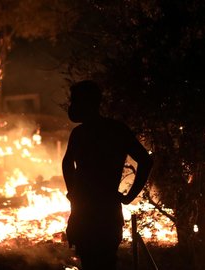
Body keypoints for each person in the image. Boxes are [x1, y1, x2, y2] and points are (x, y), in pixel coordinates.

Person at [62, 80, 153, 269]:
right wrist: (129, 197)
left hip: (89, 213)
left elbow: (67, 164)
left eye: (75, 101)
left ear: (87, 103)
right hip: (104, 211)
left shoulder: (81, 133)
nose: (72, 107)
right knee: (103, 262)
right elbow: (145, 160)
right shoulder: (115, 130)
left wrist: (73, 192)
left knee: (93, 262)